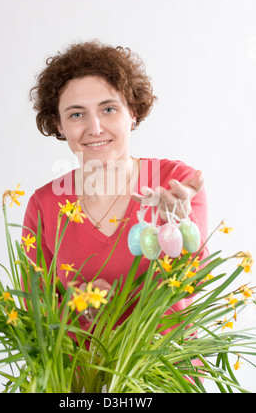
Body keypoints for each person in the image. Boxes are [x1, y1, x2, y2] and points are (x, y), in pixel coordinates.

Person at [22, 40, 208, 328]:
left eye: (108, 109)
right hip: (81, 372)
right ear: (59, 124)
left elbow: (197, 281)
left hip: (166, 371)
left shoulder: (175, 183)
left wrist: (183, 224)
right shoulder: (44, 205)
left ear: (132, 113)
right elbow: (35, 313)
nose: (95, 128)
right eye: (76, 114)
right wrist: (79, 312)